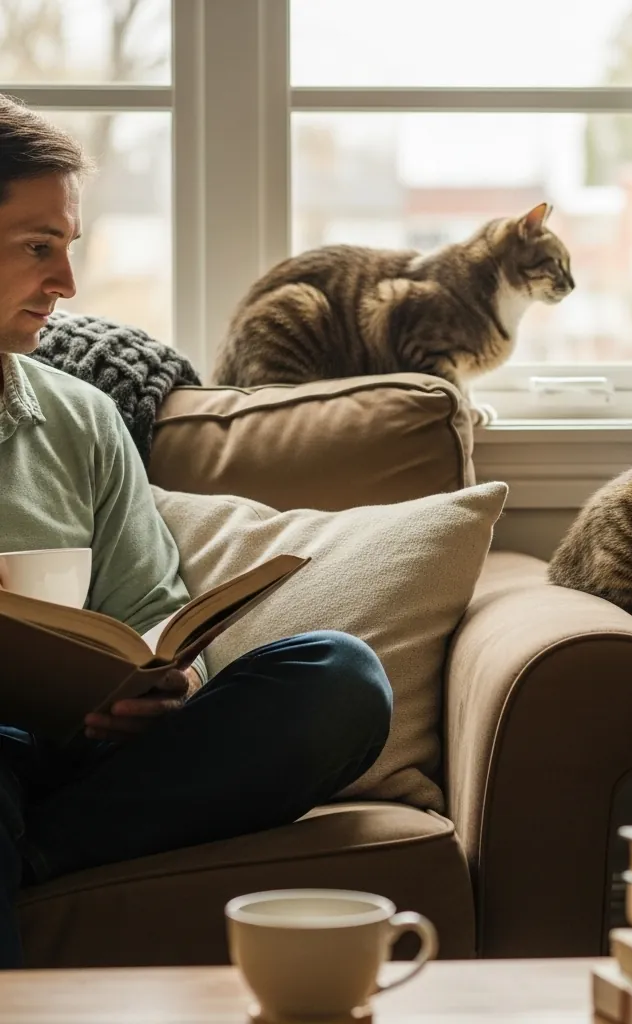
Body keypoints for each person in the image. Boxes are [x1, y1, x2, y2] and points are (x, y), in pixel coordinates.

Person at [0, 94, 393, 969]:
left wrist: (164, 683)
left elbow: (150, 610)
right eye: (39, 248)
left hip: (81, 757)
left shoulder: (83, 419)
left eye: (69, 249)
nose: (65, 285)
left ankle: (30, 849)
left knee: (340, 676)